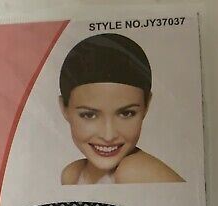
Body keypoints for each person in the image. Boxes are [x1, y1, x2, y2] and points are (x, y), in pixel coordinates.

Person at [59, 33, 184, 185]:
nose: (108, 136)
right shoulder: (72, 174)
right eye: (89, 115)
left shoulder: (134, 172)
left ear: (146, 105)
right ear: (64, 108)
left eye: (126, 113)